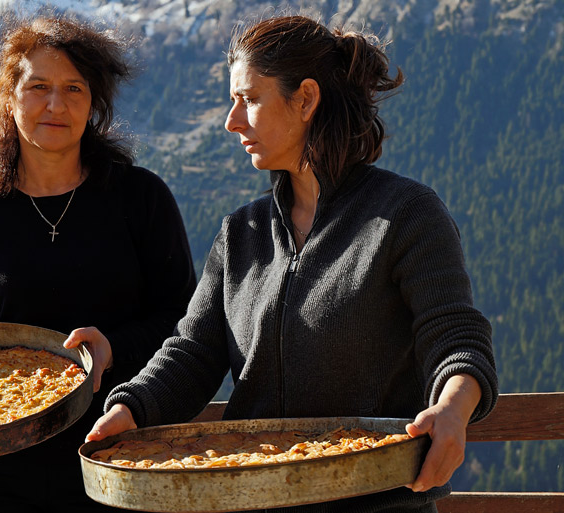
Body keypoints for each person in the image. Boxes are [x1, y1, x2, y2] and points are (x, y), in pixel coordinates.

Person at [88, 14, 498, 513]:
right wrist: (129, 408)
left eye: (249, 99)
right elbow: (193, 352)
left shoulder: (407, 215)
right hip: (250, 501)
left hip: (377, 501)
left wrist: (452, 411)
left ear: (305, 99)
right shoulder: (241, 233)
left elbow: (456, 338)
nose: (231, 121)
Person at [0, 12, 196, 513]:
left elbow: (187, 324)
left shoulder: (140, 198)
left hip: (111, 453)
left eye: (74, 89)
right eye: (39, 87)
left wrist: (112, 348)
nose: (56, 104)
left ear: (94, 104)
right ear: (9, 97)